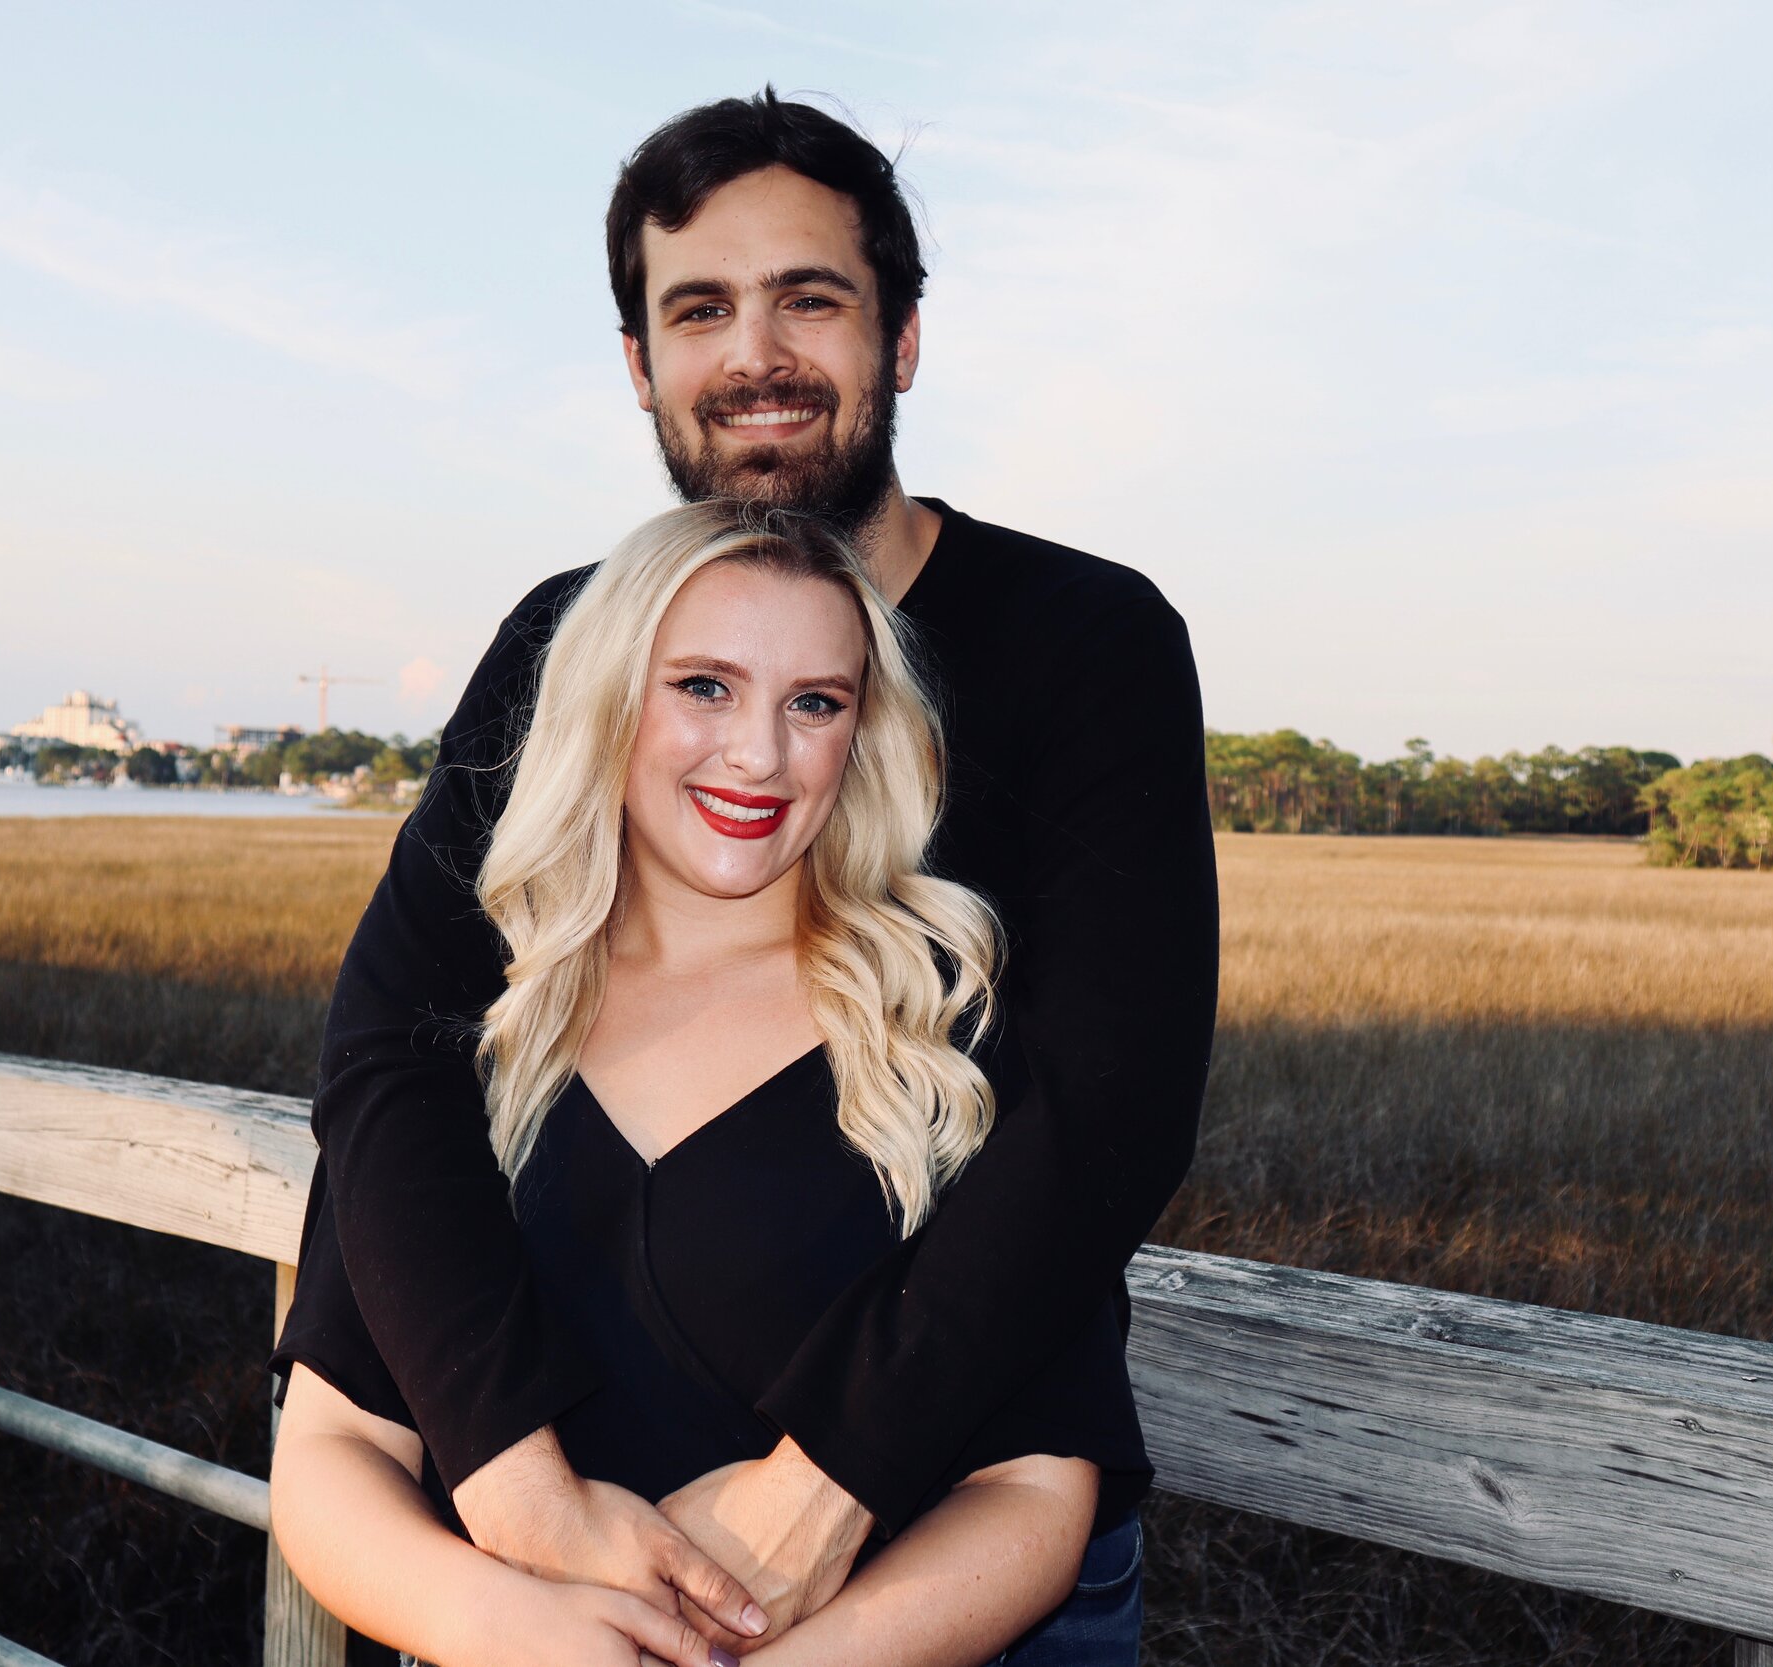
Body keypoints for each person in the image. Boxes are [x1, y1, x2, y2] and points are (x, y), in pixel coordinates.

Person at [272, 88, 1218, 1663]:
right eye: (699, 308)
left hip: (946, 1560)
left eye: (811, 299)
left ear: (902, 338)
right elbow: (393, 1052)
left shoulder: (1088, 640)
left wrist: (832, 1476)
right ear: (640, 363)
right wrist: (520, 1502)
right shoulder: (556, 641)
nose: (756, 353)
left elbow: (1104, 1111)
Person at [271, 503, 1148, 1666]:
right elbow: (334, 1449)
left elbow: (1035, 1489)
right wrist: (511, 1627)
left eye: (815, 702)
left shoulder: (945, 1036)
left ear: (863, 733)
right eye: (704, 686)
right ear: (606, 699)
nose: (760, 754)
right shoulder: (470, 1037)